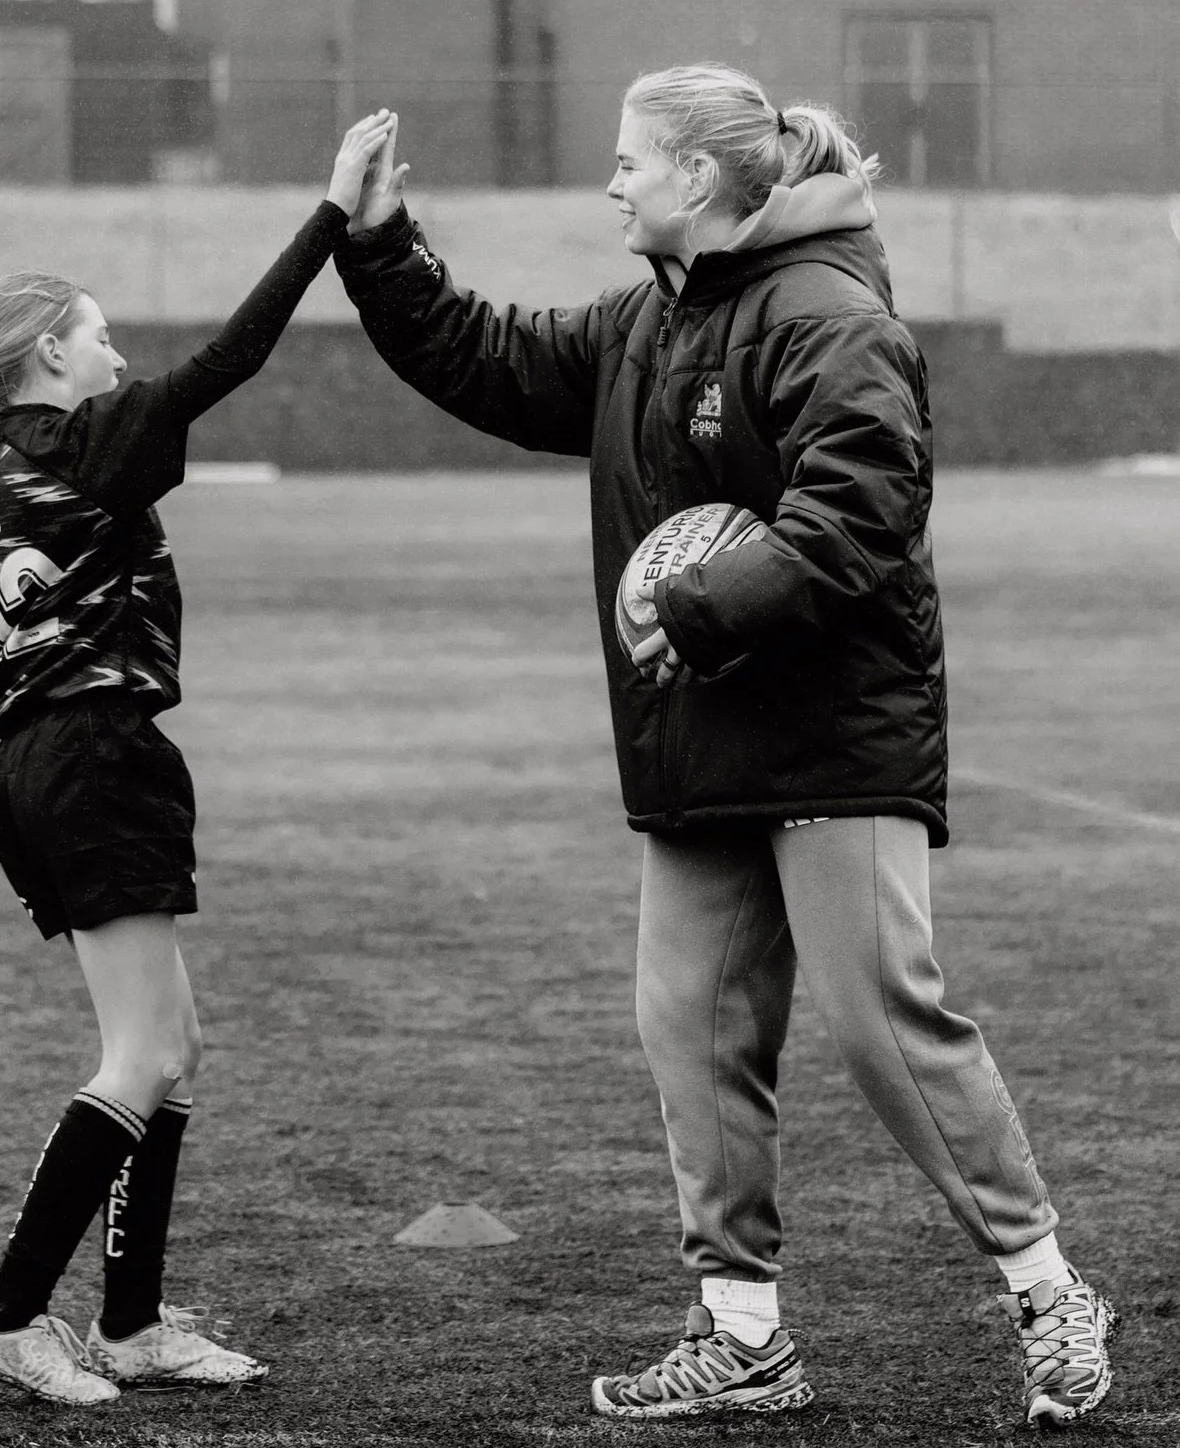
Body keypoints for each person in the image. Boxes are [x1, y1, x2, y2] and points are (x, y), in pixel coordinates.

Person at [333, 71, 1116, 1428]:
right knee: (688, 1029)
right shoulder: (647, 319)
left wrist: (695, 610)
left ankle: (1050, 1290)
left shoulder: (829, 314)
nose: (614, 182)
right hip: (702, 739)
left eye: (633, 160)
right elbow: (487, 357)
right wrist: (381, 239)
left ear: (701, 179)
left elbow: (859, 512)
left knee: (884, 1024)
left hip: (830, 738)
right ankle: (743, 1332)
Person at [0, 111, 395, 1406]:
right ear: (50, 354)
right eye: (101, 333)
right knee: (138, 1057)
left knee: (177, 1041)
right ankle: (7, 1315)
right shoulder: (91, 438)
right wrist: (335, 213)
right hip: (95, 762)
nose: (118, 352)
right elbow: (240, 348)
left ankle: (126, 1323)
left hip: (31, 775)